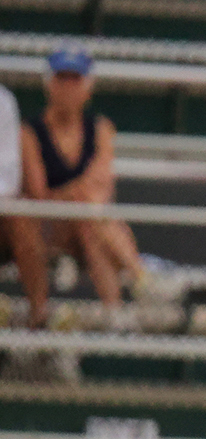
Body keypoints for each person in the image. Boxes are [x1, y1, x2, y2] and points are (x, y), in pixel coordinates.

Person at [19, 48, 154, 331]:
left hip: (87, 226)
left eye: (75, 80)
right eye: (61, 79)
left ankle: (116, 312)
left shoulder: (101, 128)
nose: (68, 88)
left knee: (91, 223)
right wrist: (77, 196)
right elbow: (38, 195)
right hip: (49, 229)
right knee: (91, 210)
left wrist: (74, 197)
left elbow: (102, 183)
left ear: (88, 87)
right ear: (49, 85)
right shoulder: (31, 132)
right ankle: (142, 279)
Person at [0, 82, 52, 341]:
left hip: (2, 212)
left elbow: (7, 177)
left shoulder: (3, 101)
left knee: (21, 220)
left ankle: (39, 321)